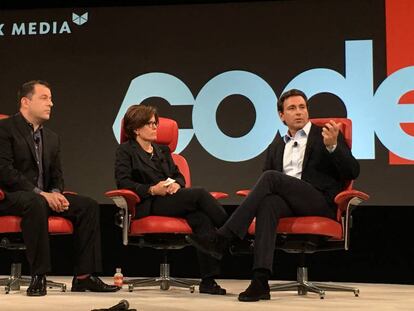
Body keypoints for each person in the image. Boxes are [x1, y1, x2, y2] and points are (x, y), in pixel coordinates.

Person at [186, 89, 360, 302]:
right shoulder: (277, 147)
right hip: (289, 203)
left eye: (302, 107)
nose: (299, 112)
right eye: (292, 108)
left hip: (320, 202)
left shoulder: (325, 134)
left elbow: (352, 172)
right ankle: (260, 281)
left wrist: (333, 146)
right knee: (268, 203)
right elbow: (265, 189)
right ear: (281, 115)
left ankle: (224, 238)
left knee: (270, 178)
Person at [0, 80, 119, 296]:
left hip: (43, 197)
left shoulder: (52, 138)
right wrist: (42, 194)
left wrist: (55, 193)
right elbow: (5, 171)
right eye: (44, 98)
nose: (51, 103)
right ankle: (39, 275)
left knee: (88, 206)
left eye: (51, 99)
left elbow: (57, 176)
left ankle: (84, 277)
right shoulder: (5, 129)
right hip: (12, 197)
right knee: (35, 202)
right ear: (25, 102)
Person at [114, 104, 229, 295]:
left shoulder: (163, 151)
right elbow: (123, 182)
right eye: (149, 123)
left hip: (170, 199)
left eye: (155, 123)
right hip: (148, 203)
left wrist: (177, 184)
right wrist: (151, 189)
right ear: (136, 128)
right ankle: (229, 235)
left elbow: (179, 176)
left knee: (202, 218)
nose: (155, 127)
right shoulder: (126, 150)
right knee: (199, 193)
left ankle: (208, 281)